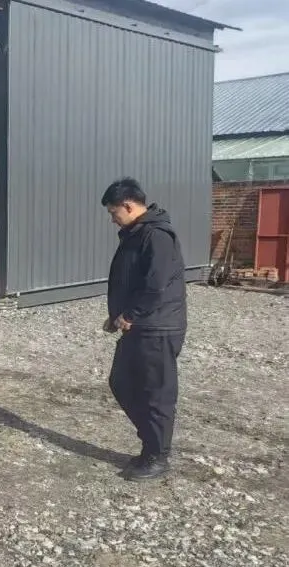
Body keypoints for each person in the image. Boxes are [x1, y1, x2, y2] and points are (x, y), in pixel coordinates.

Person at [101, 177, 187, 481]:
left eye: (113, 212)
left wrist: (131, 314)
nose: (112, 219)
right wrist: (117, 315)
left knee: (156, 393)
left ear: (128, 205)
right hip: (139, 325)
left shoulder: (157, 235)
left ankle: (158, 456)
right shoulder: (136, 233)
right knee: (121, 382)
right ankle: (151, 443)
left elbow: (156, 284)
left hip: (158, 327)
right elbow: (133, 280)